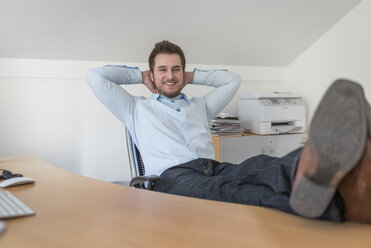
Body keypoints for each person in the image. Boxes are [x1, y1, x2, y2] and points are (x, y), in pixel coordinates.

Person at [87, 40, 371, 223]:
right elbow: (95, 77)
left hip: (213, 166)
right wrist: (139, 76)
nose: (170, 75)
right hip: (171, 177)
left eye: (176, 69)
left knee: (262, 165)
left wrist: (191, 77)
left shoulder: (200, 105)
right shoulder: (135, 108)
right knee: (229, 191)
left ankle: (325, 164)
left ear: (184, 73)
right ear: (153, 73)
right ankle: (340, 203)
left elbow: (232, 80)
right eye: (162, 70)